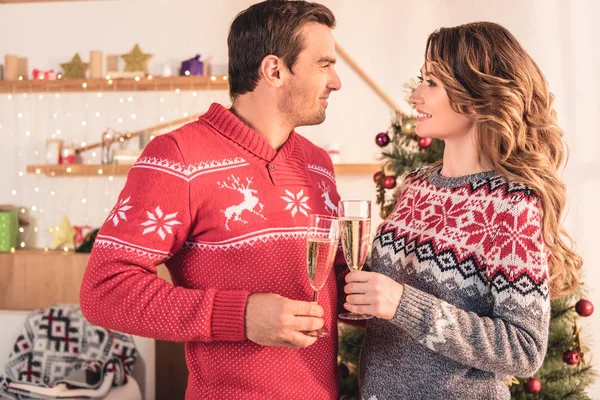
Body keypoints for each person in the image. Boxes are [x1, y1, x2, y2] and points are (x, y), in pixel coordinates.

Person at [80, 1, 343, 398]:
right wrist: (241, 316)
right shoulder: (178, 157)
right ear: (274, 70)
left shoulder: (318, 164)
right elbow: (105, 289)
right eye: (324, 64)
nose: (336, 81)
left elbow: (335, 285)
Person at [344, 22, 583, 399]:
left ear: (476, 95)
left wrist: (402, 304)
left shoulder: (510, 206)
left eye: (432, 83)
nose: (415, 96)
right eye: (421, 80)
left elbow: (523, 349)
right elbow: (385, 306)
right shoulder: (416, 186)